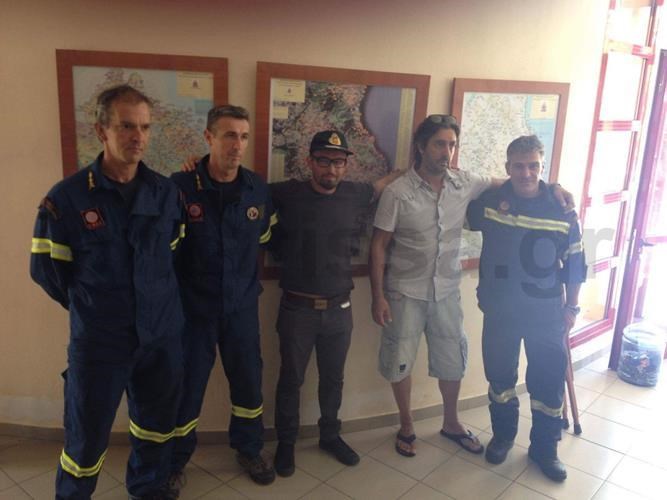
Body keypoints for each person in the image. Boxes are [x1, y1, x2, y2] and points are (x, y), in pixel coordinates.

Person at [369, 116, 573, 459]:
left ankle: (451, 423)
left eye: (451, 144)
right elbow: (378, 246)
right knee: (399, 360)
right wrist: (377, 297)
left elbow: (517, 179)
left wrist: (554, 186)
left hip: (447, 291)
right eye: (439, 144)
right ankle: (406, 425)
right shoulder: (397, 193)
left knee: (452, 360)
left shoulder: (464, 182)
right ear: (421, 146)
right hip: (404, 292)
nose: (446, 152)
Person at [30, 85, 185, 500]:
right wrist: (93, 305)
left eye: (145, 127)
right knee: (85, 441)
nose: (138, 137)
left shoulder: (166, 193)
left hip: (160, 336)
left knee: (155, 429)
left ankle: (148, 489)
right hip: (101, 341)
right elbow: (47, 270)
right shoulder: (67, 198)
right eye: (127, 126)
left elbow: (172, 251)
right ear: (102, 130)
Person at [271, 130, 403, 477]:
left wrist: (408, 171)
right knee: (290, 380)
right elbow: (244, 190)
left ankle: (329, 435)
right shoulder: (287, 193)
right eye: (324, 161)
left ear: (345, 166)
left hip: (339, 309)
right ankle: (285, 443)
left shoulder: (354, 193)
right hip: (297, 309)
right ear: (310, 162)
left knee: (333, 379)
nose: (331, 168)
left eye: (339, 162)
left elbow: (382, 184)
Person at [466, 135, 586, 482]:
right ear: (507, 168)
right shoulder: (491, 202)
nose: (527, 173)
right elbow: (459, 201)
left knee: (548, 384)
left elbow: (575, 266)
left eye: (534, 166)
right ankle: (503, 436)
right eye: (518, 166)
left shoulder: (563, 210)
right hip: (500, 313)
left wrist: (572, 308)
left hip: (546, 315)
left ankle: (544, 450)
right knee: (500, 380)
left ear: (542, 167)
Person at [169, 105, 276, 487]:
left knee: (248, 383)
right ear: (209, 137)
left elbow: (263, 239)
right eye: (229, 135)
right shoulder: (179, 187)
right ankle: (174, 461)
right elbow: (166, 252)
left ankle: (249, 449)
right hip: (193, 311)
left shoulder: (257, 189)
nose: (238, 145)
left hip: (240, 309)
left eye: (243, 136)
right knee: (186, 388)